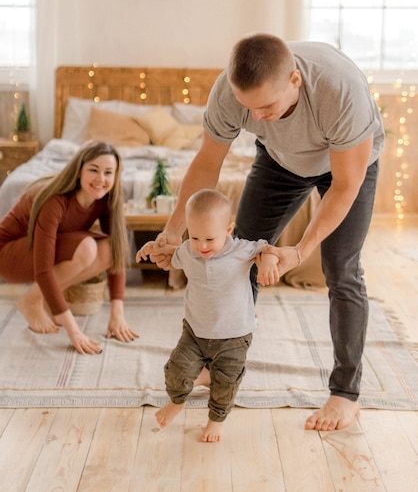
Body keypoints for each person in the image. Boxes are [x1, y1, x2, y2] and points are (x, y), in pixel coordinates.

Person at [140, 33, 385, 432]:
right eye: (247, 108)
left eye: (267, 107)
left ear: (295, 82)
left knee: (341, 268)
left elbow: (343, 186)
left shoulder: (338, 90)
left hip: (347, 166)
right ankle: (217, 361)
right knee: (236, 257)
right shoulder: (229, 92)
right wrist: (171, 232)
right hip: (280, 161)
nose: (257, 117)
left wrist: (300, 251)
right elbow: (207, 163)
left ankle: (345, 393)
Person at [136, 188, 280, 443]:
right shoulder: (188, 251)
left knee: (225, 383)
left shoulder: (242, 250)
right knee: (176, 370)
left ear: (228, 230)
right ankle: (178, 402)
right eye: (194, 237)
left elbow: (266, 249)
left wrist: (267, 261)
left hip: (234, 336)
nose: (201, 246)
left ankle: (216, 420)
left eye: (210, 240)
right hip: (195, 332)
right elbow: (171, 254)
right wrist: (152, 247)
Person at [0, 140, 138, 354]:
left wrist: (117, 315)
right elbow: (43, 269)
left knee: (110, 248)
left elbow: (117, 253)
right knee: (87, 248)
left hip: (37, 251)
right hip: (8, 255)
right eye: (93, 170)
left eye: (108, 172)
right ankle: (32, 301)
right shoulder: (54, 200)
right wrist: (73, 331)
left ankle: (48, 300)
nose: (101, 179)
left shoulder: (105, 199)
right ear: (78, 171)